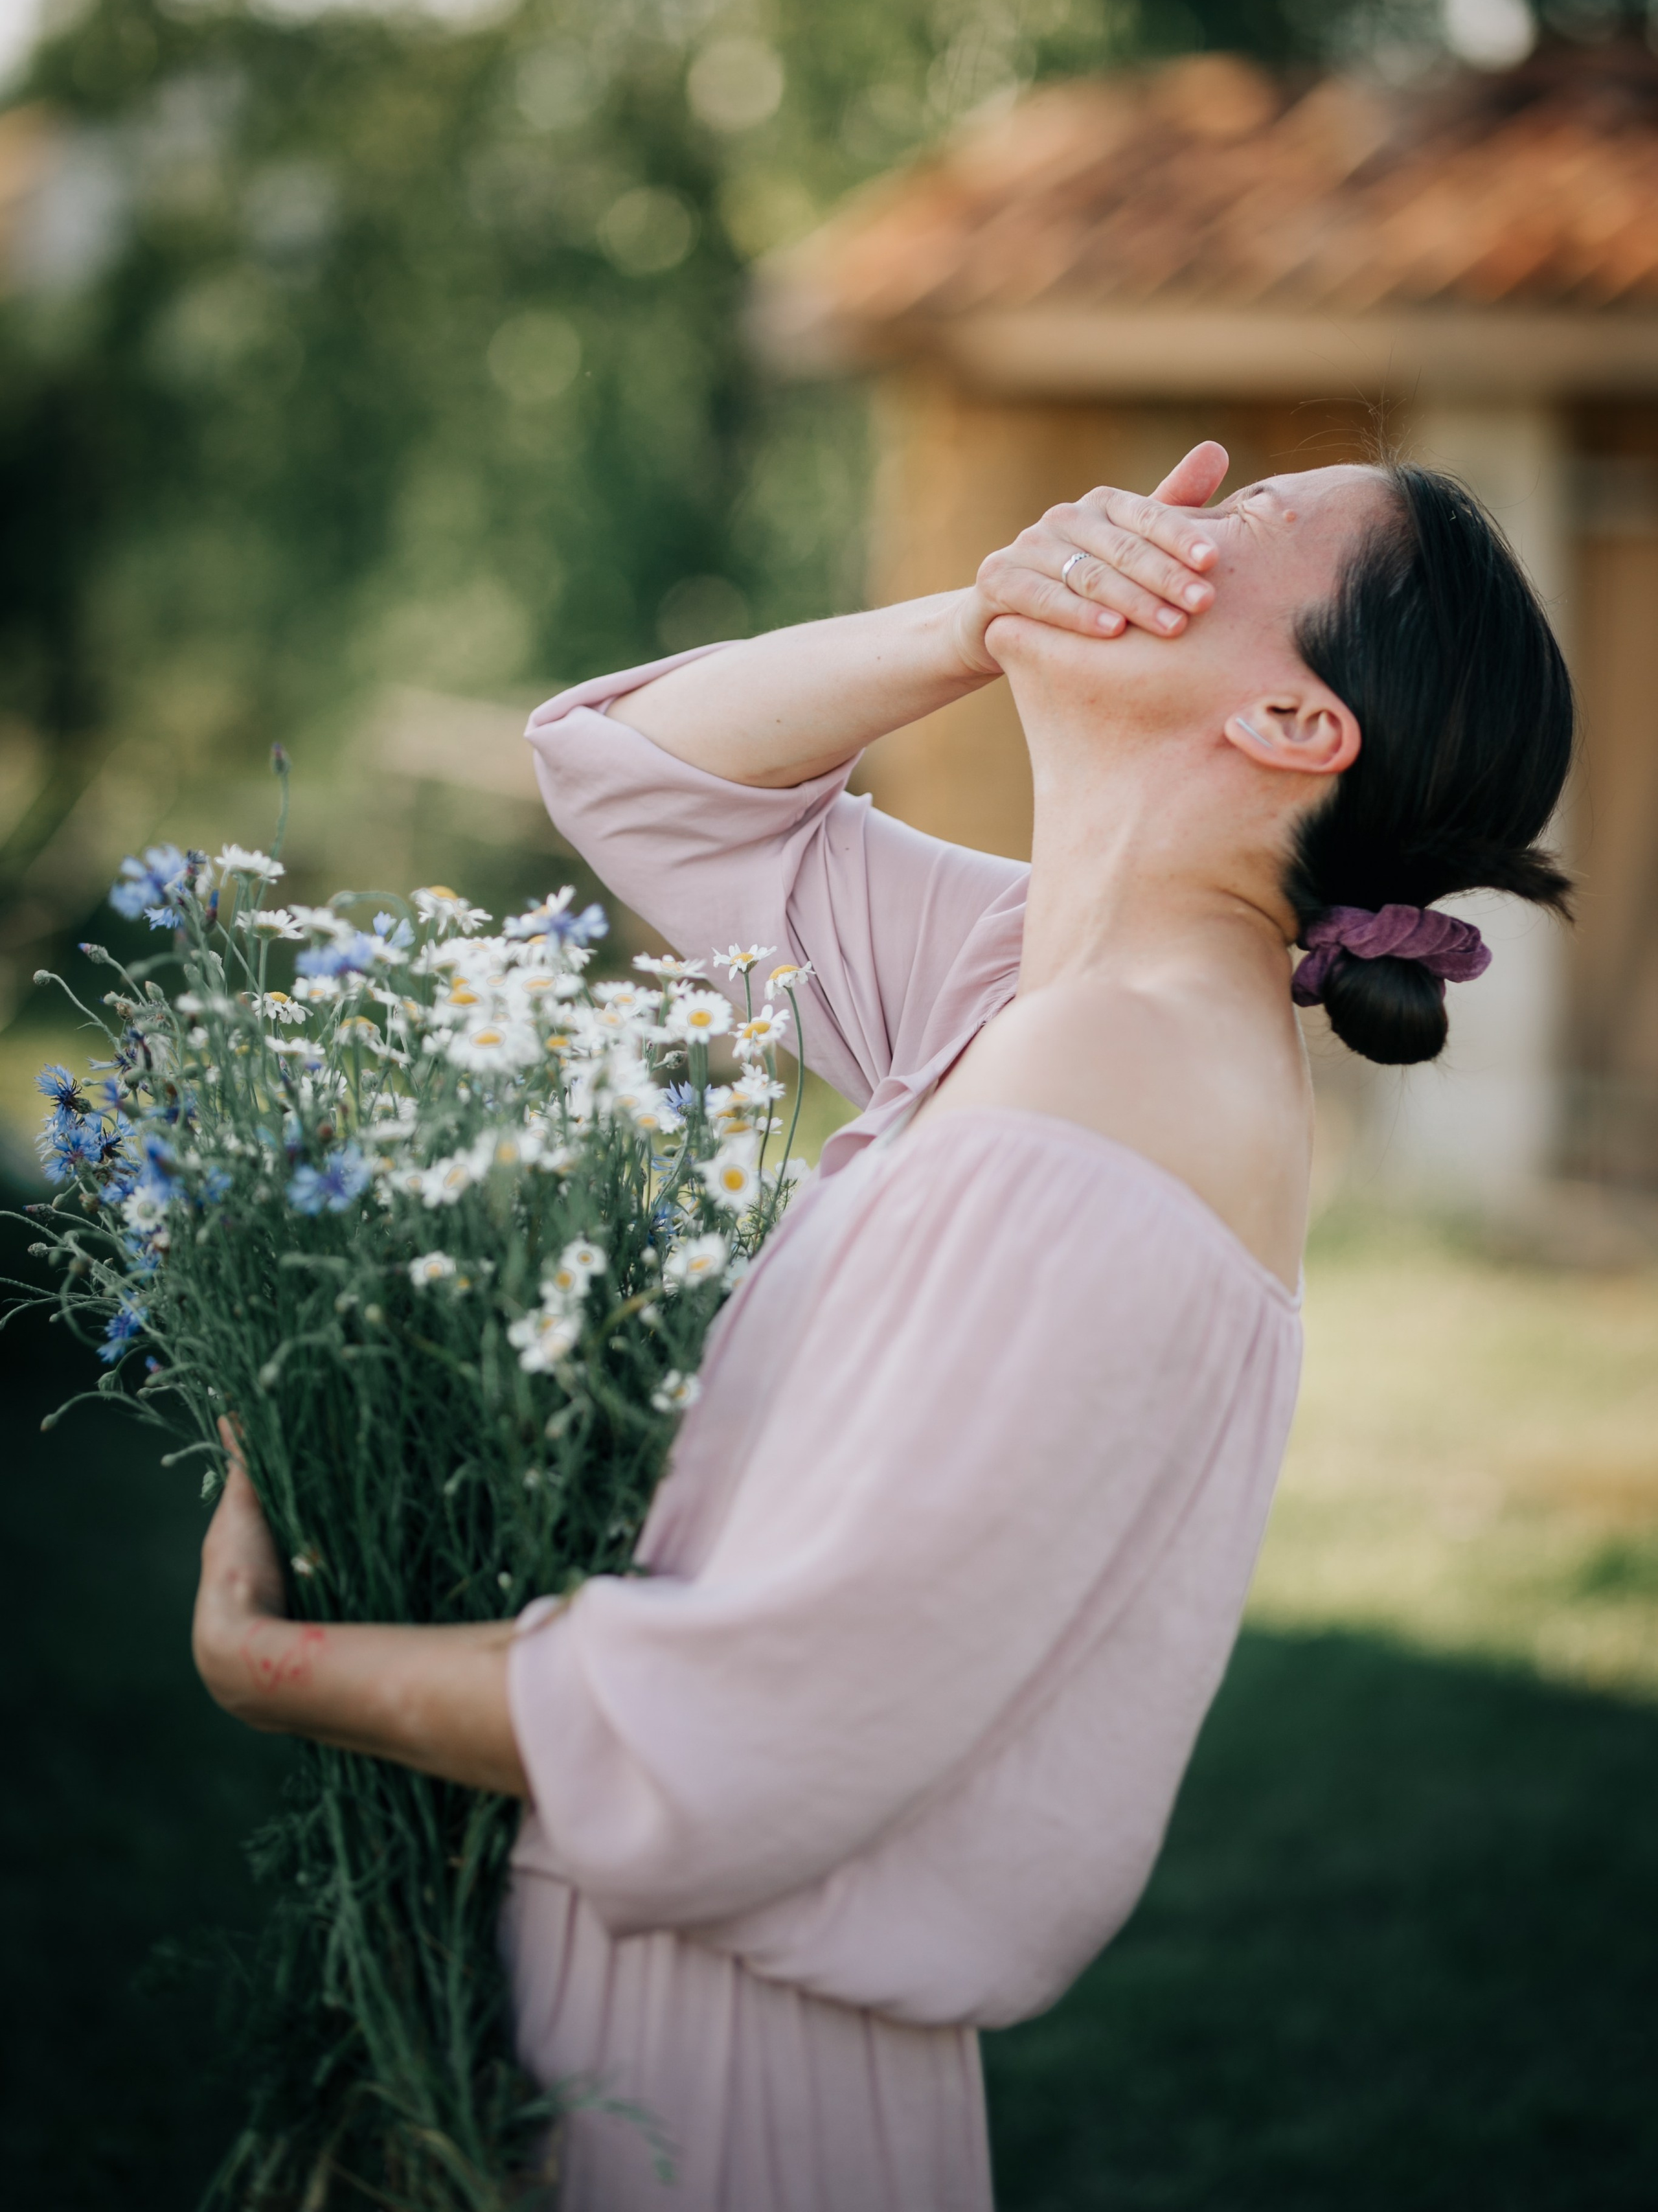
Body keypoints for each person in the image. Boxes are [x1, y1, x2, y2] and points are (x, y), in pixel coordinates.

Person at [192, 440, 1575, 2211]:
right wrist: (979, 614)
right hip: (635, 2007)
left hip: (708, 2084)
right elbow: (633, 772)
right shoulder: (1032, 992)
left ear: (1302, 730)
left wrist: (278, 1671)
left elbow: (768, 1733)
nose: (1142, 524)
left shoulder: (1126, 1081)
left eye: (1230, 530)